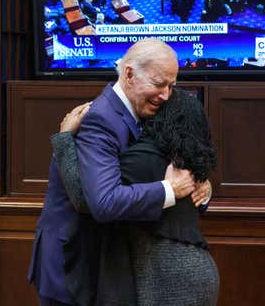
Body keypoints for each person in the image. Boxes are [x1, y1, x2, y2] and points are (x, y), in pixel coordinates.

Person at [29, 39, 210, 306]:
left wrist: (200, 183)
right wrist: (169, 189)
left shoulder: (145, 111)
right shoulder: (101, 118)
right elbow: (103, 201)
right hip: (75, 259)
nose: (166, 95)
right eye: (159, 84)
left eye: (171, 86)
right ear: (129, 74)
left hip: (107, 260)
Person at [53, 88, 219, 305]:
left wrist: (64, 139)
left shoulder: (145, 158)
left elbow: (87, 199)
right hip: (200, 272)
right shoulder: (187, 159)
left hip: (168, 277)